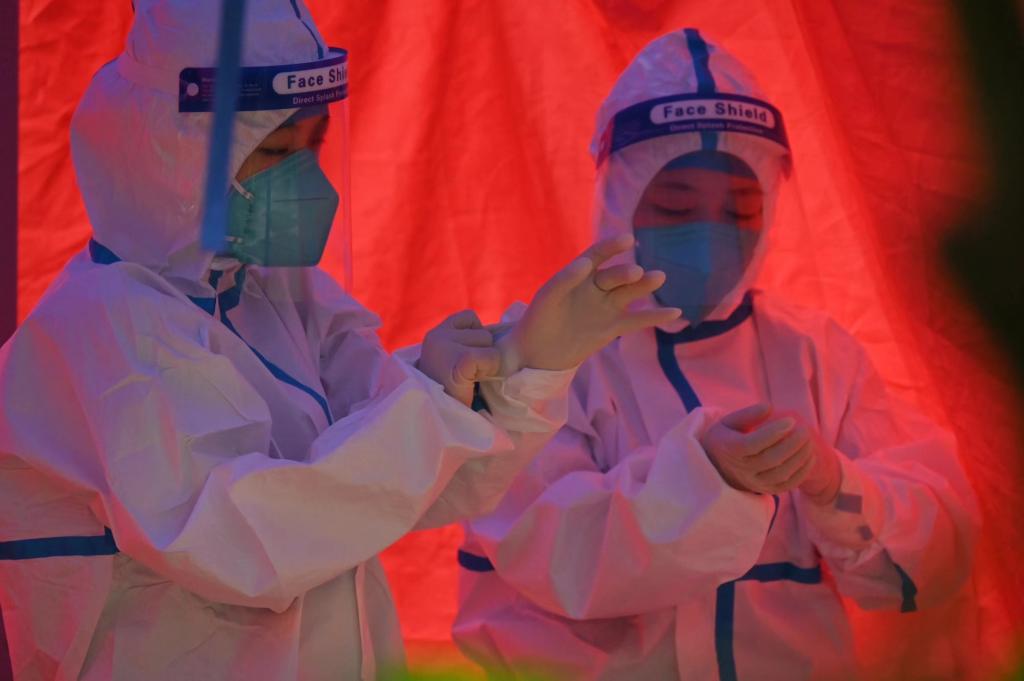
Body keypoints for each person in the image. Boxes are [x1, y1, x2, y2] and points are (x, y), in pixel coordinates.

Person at [0, 2, 682, 680]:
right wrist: (438, 403)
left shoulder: (276, 294)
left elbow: (405, 484)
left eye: (314, 144)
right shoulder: (102, 329)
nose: (303, 177)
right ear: (173, 150)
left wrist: (523, 363)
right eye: (274, 151)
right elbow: (245, 543)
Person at [452, 28, 980, 681]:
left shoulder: (814, 354)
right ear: (618, 198)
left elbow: (937, 550)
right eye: (676, 207)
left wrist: (835, 483)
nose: (710, 238)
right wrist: (705, 476)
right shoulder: (546, 356)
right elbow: (552, 554)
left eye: (742, 209)